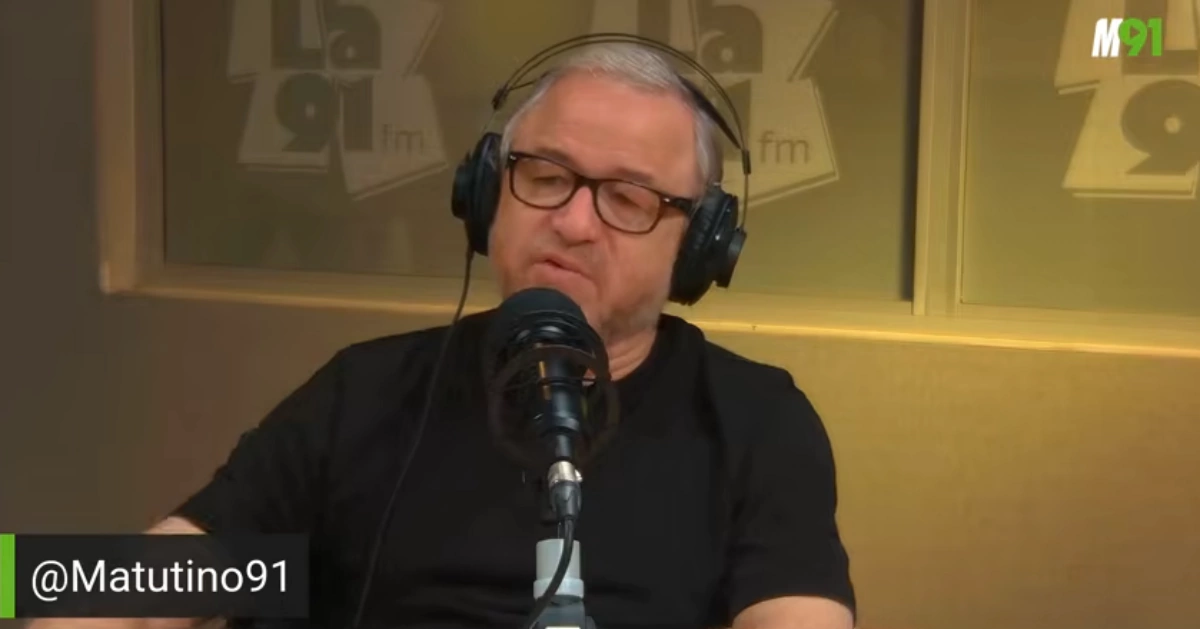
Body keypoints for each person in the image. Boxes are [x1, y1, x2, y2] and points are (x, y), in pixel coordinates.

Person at [32, 42, 855, 629]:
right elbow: (157, 580)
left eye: (628, 199)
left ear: (699, 247)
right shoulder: (366, 392)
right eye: (546, 175)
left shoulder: (755, 421)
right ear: (487, 193)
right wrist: (32, 581)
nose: (573, 221)